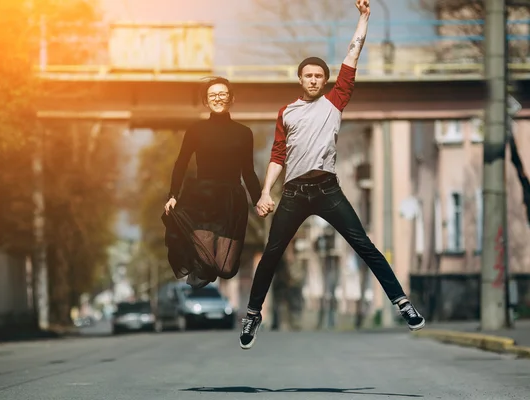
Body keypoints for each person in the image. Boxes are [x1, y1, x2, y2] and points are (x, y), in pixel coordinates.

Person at [239, 0, 425, 350]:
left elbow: (352, 57)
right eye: (308, 75)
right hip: (293, 193)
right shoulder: (287, 113)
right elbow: (278, 155)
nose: (313, 80)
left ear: (325, 81)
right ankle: (252, 314)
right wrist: (266, 193)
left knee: (364, 246)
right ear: (300, 79)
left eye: (318, 76)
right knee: (271, 255)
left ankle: (402, 303)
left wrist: (364, 18)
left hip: (327, 189)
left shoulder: (336, 100)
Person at [161, 76, 262, 290]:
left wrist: (258, 200)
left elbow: (249, 172)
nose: (218, 98)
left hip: (231, 202)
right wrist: (173, 195)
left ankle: (206, 265)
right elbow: (181, 163)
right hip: (202, 200)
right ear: (206, 102)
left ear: (231, 99)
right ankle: (196, 257)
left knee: (225, 269)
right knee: (206, 261)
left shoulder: (244, 133)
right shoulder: (196, 130)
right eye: (213, 95)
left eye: (223, 94)